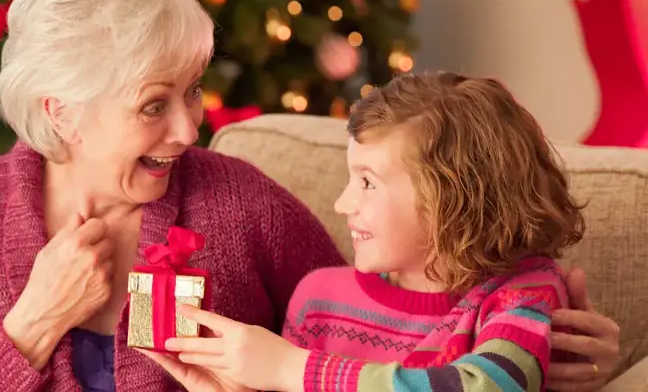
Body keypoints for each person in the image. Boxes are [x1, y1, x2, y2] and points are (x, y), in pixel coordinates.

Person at [0, 0, 617, 390]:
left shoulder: (240, 203)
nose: (189, 127)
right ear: (61, 108)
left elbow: (390, 321)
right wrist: (31, 329)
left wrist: (546, 344)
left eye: (193, 92)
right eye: (153, 104)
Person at [144, 74, 622, 392]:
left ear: (453, 197)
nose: (342, 203)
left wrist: (291, 368)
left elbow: (484, 385)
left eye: (368, 182)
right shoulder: (320, 299)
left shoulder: (519, 292)